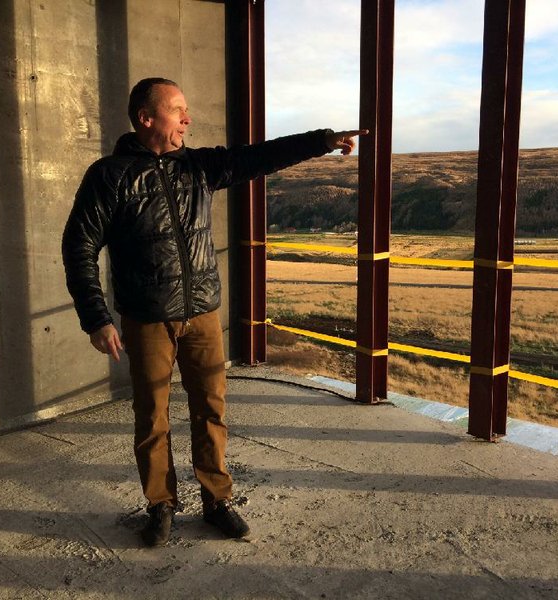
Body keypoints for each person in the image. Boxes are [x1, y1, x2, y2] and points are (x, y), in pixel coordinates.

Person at [62, 77, 365, 547]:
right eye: (177, 110)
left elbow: (258, 155)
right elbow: (78, 246)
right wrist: (96, 317)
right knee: (153, 417)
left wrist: (322, 141)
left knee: (211, 410)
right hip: (147, 318)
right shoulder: (109, 176)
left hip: (202, 311)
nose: (187, 118)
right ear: (146, 118)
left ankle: (216, 501)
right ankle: (160, 505)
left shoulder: (198, 168)